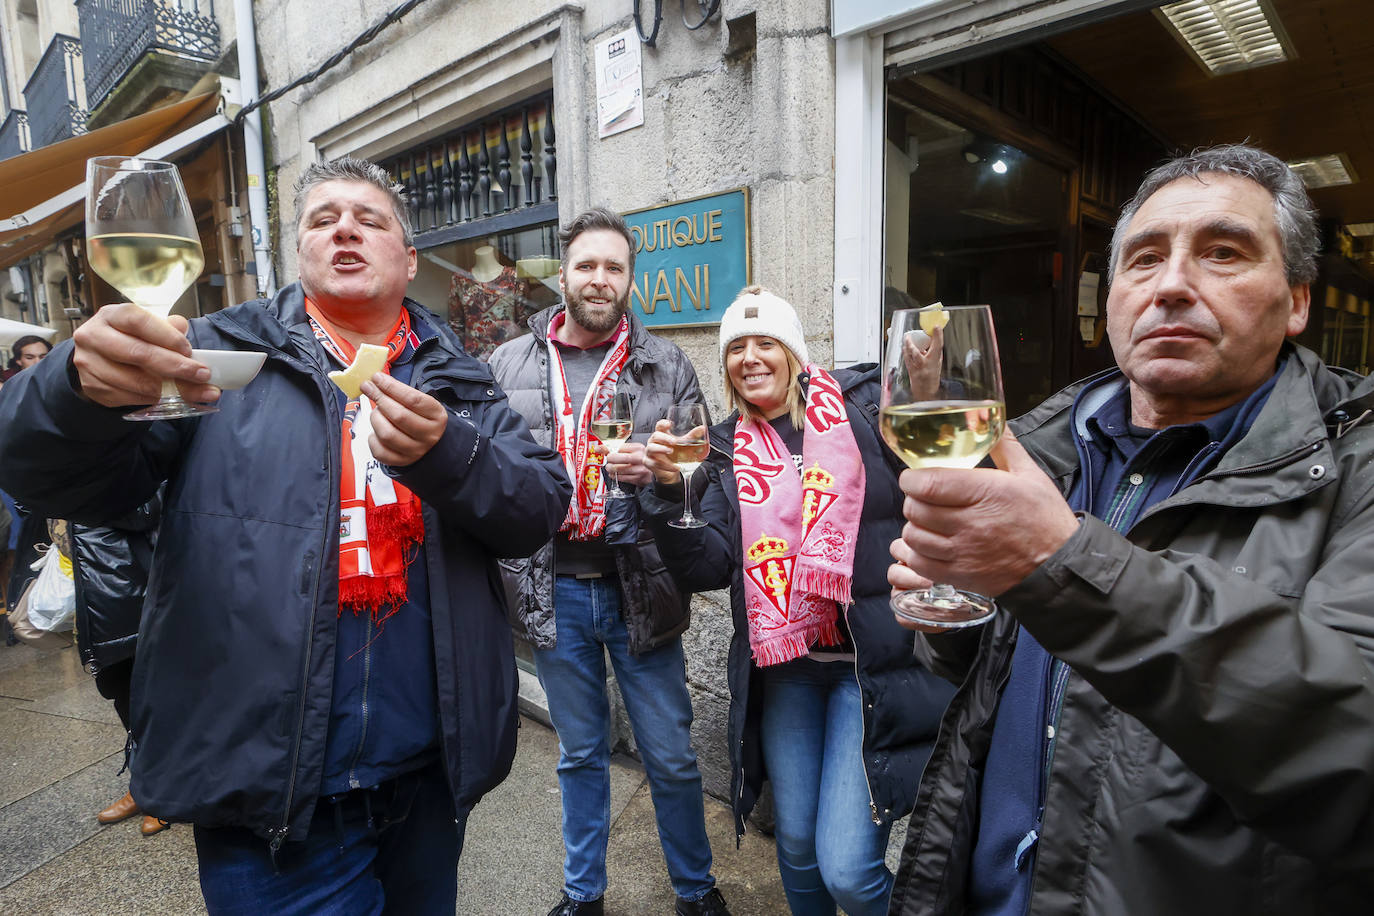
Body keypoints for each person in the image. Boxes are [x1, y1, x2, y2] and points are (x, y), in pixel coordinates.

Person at [0, 156, 571, 914]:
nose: (344, 228)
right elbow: (62, 483)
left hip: (427, 781)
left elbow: (537, 506)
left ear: (407, 258)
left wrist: (449, 453)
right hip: (269, 796)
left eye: (370, 219)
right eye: (322, 218)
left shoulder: (460, 375)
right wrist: (73, 392)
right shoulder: (208, 358)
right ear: (295, 253)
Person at [886, 144, 1374, 914]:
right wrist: (953, 616)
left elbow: (1352, 757)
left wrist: (1063, 564)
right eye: (1144, 259)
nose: (1173, 285)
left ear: (1298, 300)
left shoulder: (1357, 470)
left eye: (1223, 253)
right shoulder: (1044, 447)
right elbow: (990, 675)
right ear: (1111, 297)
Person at [638, 287, 956, 916]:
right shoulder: (724, 448)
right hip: (786, 672)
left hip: (866, 669)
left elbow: (933, 467)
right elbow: (711, 565)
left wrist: (925, 393)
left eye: (764, 344)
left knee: (851, 871)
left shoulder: (859, 409)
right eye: (736, 348)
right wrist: (669, 495)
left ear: (792, 351)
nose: (750, 358)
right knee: (799, 848)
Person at [488, 206, 729, 916]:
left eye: (613, 267)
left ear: (630, 279)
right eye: (586, 265)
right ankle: (582, 895)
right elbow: (489, 475)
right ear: (563, 275)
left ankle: (695, 890)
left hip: (640, 585)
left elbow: (704, 476)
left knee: (673, 756)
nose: (599, 279)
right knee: (580, 754)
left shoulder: (667, 364)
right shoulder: (509, 363)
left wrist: (659, 479)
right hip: (553, 586)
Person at [72, 497, 168, 837]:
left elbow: (148, 507)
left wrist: (79, 492)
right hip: (94, 590)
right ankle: (143, 785)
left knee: (154, 691)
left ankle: (166, 790)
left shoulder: (120, 446)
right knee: (119, 690)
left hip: (132, 584)